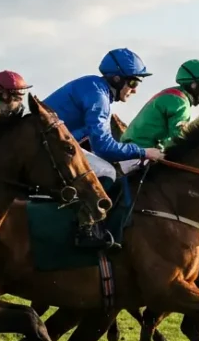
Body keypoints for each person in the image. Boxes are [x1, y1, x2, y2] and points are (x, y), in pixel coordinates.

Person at [44, 47, 164, 249]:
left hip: (54, 143)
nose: (135, 90)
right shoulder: (99, 96)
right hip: (50, 147)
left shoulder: (95, 87)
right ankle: (85, 227)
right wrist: (144, 152)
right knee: (108, 171)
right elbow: (104, 147)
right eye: (133, 82)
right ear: (116, 79)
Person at [120, 59, 199, 150]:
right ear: (194, 85)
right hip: (139, 151)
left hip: (132, 146)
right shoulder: (180, 103)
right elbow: (180, 139)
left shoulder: (172, 95)